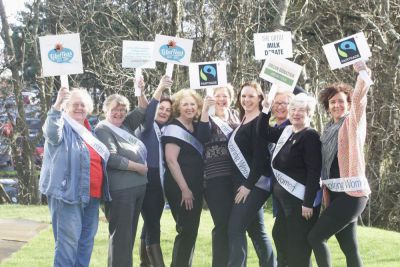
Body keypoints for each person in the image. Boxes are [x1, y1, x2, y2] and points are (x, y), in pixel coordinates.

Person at [308, 62, 372, 267]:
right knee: (350, 249)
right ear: (327, 107)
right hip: (335, 194)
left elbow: (360, 100)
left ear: (348, 104)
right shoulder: (327, 130)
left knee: (316, 237)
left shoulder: (351, 123)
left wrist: (363, 73)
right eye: (332, 102)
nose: (337, 105)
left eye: (341, 101)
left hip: (352, 195)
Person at [39, 87, 110, 267]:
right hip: (67, 196)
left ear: (89, 108)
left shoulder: (90, 132)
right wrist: (56, 105)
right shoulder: (61, 127)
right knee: (67, 246)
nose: (79, 108)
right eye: (74, 104)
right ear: (66, 107)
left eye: (83, 104)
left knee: (85, 244)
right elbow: (51, 132)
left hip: (92, 198)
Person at [257, 92, 322, 267]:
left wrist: (308, 202)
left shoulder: (310, 136)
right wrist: (265, 109)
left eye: (301, 110)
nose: (296, 113)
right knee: (279, 235)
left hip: (300, 203)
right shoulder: (287, 131)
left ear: (309, 113)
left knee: (298, 251)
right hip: (285, 203)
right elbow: (263, 132)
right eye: (293, 109)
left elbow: (314, 171)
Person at [95, 79, 148, 267]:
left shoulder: (125, 125)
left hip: (137, 189)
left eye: (123, 110)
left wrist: (140, 90)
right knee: (121, 239)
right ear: (105, 111)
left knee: (129, 237)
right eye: (115, 109)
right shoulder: (103, 129)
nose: (119, 113)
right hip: (121, 192)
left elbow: (143, 109)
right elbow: (111, 158)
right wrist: (138, 167)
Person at [227, 81, 276, 267]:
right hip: (244, 184)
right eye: (243, 96)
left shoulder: (258, 123)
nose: (246, 100)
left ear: (260, 99)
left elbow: (260, 158)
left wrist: (248, 185)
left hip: (252, 185)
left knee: (235, 229)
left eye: (251, 96)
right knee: (256, 231)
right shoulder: (244, 121)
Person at [162, 89, 211, 267]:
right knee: (186, 230)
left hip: (195, 185)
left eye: (193, 104)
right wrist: (185, 189)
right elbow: (171, 160)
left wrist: (206, 111)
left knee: (191, 231)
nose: (189, 108)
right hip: (180, 187)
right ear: (178, 107)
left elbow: (205, 139)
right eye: (185, 104)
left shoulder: (196, 126)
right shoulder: (173, 128)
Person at [203, 85, 240, 267]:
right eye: (218, 96)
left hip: (236, 177)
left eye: (225, 96)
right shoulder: (206, 117)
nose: (221, 99)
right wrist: (204, 110)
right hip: (215, 179)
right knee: (221, 225)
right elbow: (201, 136)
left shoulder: (236, 116)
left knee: (235, 227)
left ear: (231, 98)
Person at [137, 75, 173, 267]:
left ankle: (144, 264)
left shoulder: (167, 129)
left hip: (160, 182)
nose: (164, 112)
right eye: (161, 108)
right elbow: (148, 111)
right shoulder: (146, 125)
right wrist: (159, 88)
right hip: (147, 179)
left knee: (150, 222)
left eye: (168, 110)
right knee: (153, 225)